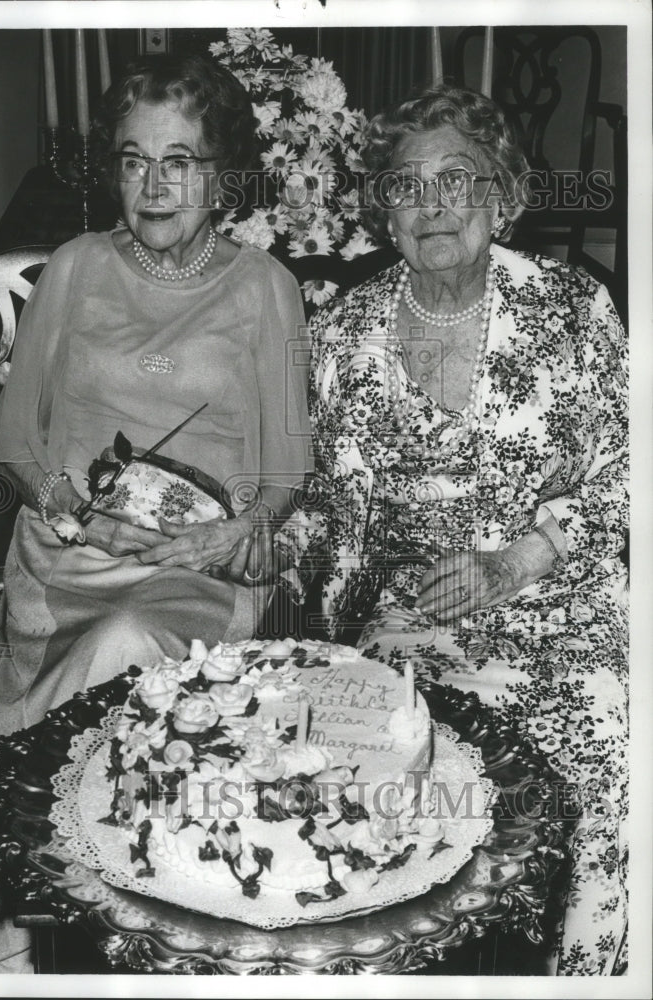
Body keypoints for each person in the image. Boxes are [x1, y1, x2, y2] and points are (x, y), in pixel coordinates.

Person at [0, 54, 311, 973]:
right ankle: (13, 959)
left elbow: (284, 472)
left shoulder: (266, 286)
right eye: (133, 159)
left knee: (122, 643)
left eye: (180, 161)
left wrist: (239, 529)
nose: (154, 185)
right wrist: (63, 502)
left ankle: (99, 925)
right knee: (45, 685)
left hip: (197, 570)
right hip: (65, 557)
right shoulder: (73, 270)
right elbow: (15, 439)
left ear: (222, 176)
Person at [275, 85, 628, 976]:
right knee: (344, 792)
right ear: (382, 208)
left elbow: (632, 464)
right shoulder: (341, 333)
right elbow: (329, 512)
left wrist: (520, 558)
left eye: (456, 180)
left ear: (498, 195)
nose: (432, 206)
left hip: (558, 617)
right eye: (406, 184)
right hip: (407, 629)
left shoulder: (572, 309)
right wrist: (270, 546)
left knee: (610, 777)